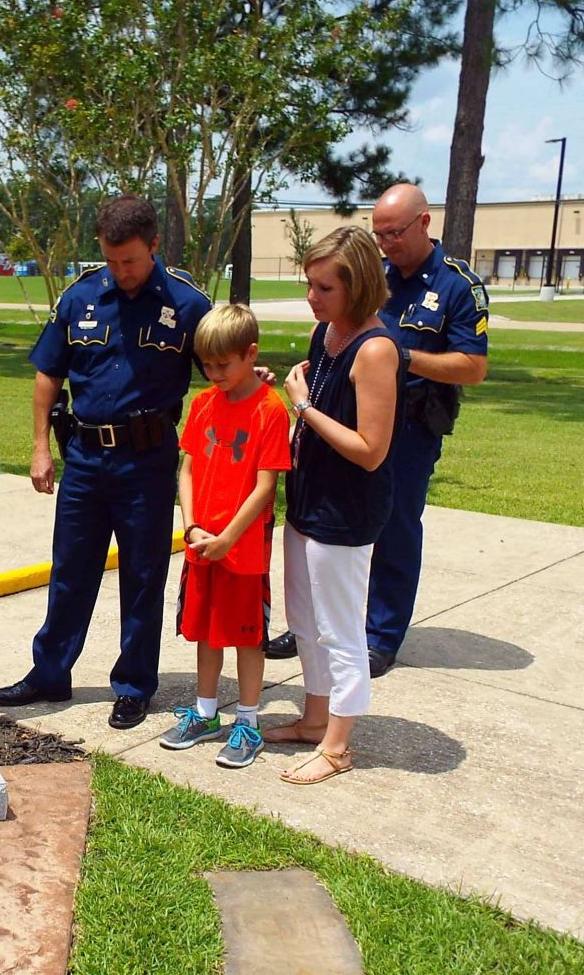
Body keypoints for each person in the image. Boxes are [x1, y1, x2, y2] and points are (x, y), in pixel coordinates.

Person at [0, 195, 212, 729]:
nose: (120, 271)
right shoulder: (81, 296)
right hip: (85, 459)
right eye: (111, 260)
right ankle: (50, 673)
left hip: (148, 463)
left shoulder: (186, 304)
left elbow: (222, 369)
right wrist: (41, 449)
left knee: (142, 576)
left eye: (130, 260)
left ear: (154, 246)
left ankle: (134, 685)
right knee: (70, 571)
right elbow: (49, 374)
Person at [264, 184, 489, 677]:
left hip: (410, 424)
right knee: (323, 524)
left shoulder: (455, 285)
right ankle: (317, 625)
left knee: (395, 527)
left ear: (425, 223)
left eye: (395, 233)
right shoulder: (371, 276)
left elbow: (473, 367)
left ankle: (381, 635)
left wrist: (399, 358)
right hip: (346, 415)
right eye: (380, 233)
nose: (386, 243)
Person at [263, 227, 404, 784]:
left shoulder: (375, 350)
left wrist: (303, 409)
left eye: (324, 287)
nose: (312, 298)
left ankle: (339, 746)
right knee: (303, 620)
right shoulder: (327, 333)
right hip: (308, 497)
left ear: (358, 286)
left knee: (341, 629)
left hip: (346, 510)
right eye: (309, 284)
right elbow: (314, 398)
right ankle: (314, 718)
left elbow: (371, 451)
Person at [159, 304, 290, 768]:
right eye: (206, 364)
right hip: (202, 543)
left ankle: (248, 722)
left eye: (224, 364)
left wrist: (229, 538)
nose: (214, 374)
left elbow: (265, 486)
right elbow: (188, 467)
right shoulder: (203, 404)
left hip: (242, 550)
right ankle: (205, 711)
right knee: (206, 632)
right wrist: (191, 524)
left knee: (247, 637)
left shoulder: (271, 410)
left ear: (249, 353)